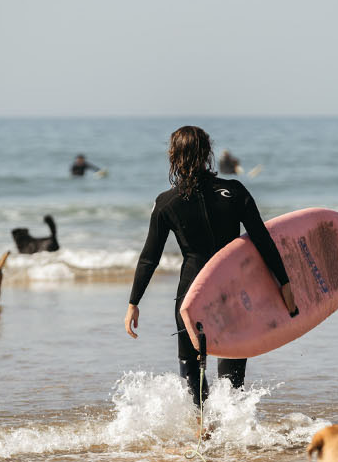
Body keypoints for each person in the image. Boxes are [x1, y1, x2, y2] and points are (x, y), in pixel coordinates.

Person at [124, 126, 295, 409]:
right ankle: (231, 424)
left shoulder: (167, 202)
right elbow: (263, 241)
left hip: (191, 294)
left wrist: (134, 302)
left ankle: (200, 425)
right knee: (232, 362)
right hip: (233, 293)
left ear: (173, 156)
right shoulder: (235, 191)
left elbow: (149, 257)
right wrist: (284, 283)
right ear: (207, 153)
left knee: (191, 362)